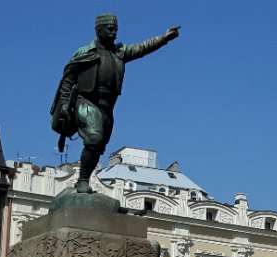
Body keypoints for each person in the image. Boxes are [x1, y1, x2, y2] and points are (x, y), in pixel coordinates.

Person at [50, 14, 180, 194]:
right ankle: (82, 180)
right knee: (94, 139)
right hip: (87, 101)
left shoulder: (119, 51)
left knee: (99, 146)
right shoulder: (85, 52)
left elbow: (142, 48)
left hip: (107, 106)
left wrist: (164, 38)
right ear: (98, 30)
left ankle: (84, 179)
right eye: (110, 29)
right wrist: (65, 103)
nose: (114, 33)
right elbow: (68, 80)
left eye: (116, 29)